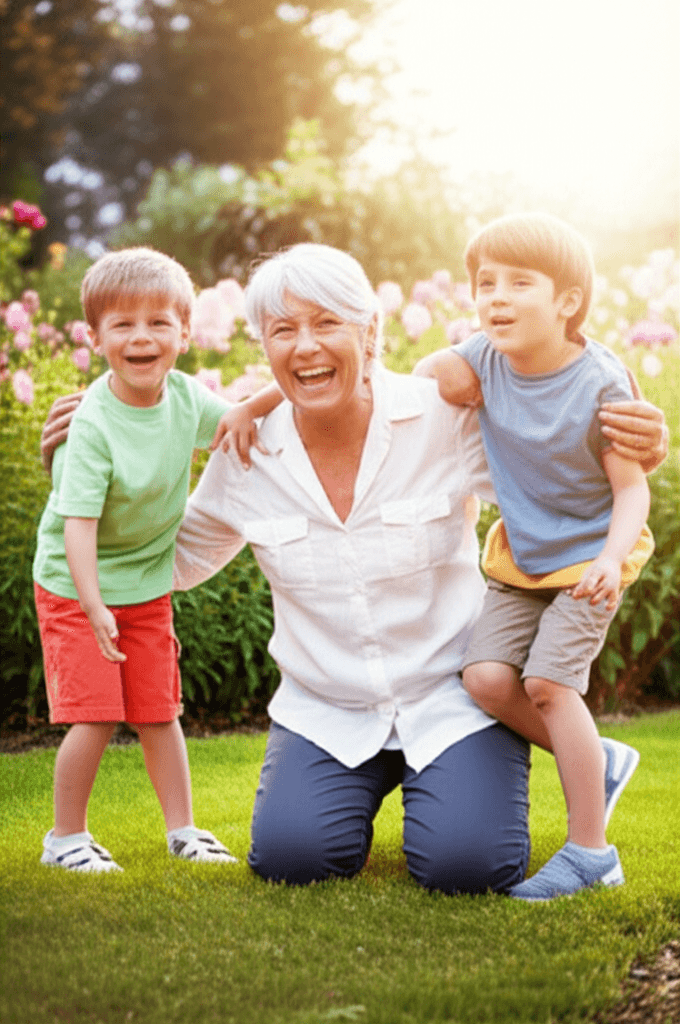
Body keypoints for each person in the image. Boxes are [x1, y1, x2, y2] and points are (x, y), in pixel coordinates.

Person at [166, 242, 665, 895]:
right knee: (292, 860)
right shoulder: (247, 452)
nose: (306, 346)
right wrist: (94, 474)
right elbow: (176, 559)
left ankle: (544, 774)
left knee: (468, 868)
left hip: (451, 698)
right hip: (327, 708)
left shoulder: (441, 419)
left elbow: (558, 472)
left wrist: (629, 447)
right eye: (283, 330)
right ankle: (354, 787)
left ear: (370, 332)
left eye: (327, 323)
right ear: (264, 345)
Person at [413, 212, 656, 900]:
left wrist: (610, 560)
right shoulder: (485, 358)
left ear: (567, 301)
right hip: (523, 558)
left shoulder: (601, 382)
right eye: (486, 283)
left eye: (520, 283)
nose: (496, 297)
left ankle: (591, 855)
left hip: (591, 559)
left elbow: (631, 490)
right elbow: (414, 381)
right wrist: (437, 371)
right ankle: (598, 758)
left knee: (549, 684)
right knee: (487, 679)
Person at [33, 246, 276, 872]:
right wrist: (92, 606)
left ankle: (184, 830)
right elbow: (77, 526)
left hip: (144, 585)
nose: (141, 337)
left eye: (158, 323)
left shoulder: (186, 398)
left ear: (184, 334)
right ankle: (65, 839)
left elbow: (239, 420)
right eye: (123, 324)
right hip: (75, 585)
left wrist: (269, 394)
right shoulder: (92, 425)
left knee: (158, 711)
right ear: (94, 338)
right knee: (95, 715)